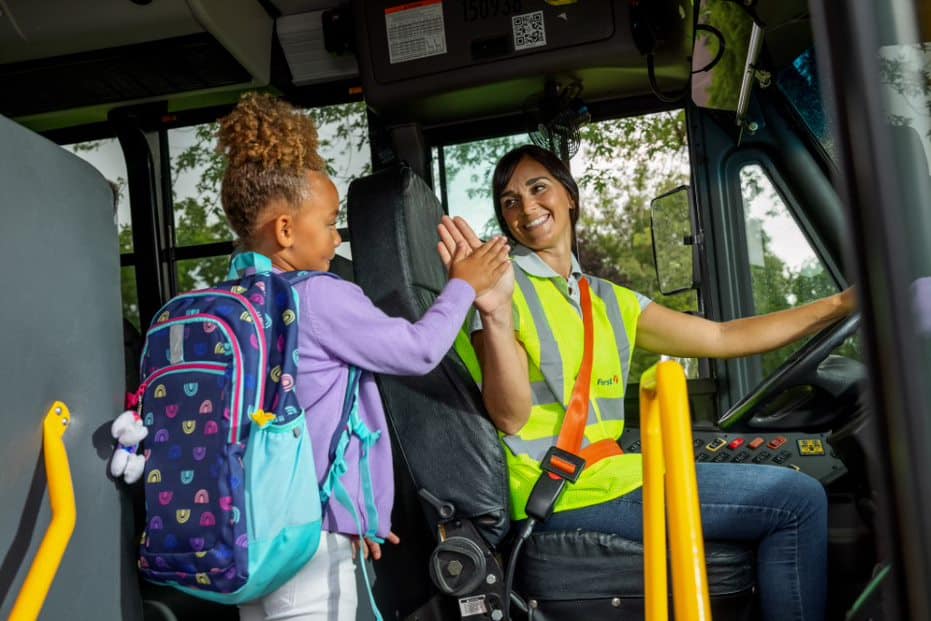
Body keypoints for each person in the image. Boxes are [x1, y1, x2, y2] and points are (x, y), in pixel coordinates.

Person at [437, 144, 857, 621]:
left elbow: (722, 335)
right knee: (796, 500)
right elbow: (510, 416)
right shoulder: (503, 290)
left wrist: (840, 304)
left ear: (569, 197)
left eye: (538, 188)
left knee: (793, 493)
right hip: (561, 493)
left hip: (613, 474)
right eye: (510, 201)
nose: (527, 207)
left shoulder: (609, 300)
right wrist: (493, 314)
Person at [217, 93, 512, 621]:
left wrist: (361, 514)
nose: (336, 237)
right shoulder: (319, 295)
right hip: (307, 539)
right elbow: (419, 350)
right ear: (285, 231)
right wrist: (462, 287)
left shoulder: (229, 300)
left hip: (247, 531)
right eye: (329, 223)